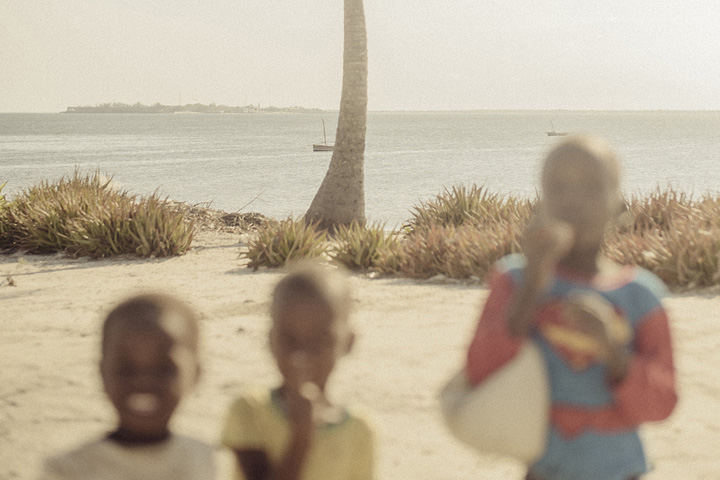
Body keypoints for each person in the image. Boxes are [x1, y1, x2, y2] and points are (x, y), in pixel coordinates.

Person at [465, 135, 677, 480]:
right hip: (545, 469)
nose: (572, 200)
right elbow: (481, 372)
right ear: (540, 203)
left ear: (619, 205)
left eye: (592, 186)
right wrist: (533, 286)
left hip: (622, 470)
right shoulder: (514, 280)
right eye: (557, 187)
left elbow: (662, 403)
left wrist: (612, 349)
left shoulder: (642, 297)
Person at [222, 262, 375, 480]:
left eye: (320, 339)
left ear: (348, 342)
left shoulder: (360, 430)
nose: (301, 354)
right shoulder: (249, 410)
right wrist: (301, 437)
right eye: (288, 339)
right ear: (270, 340)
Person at [41, 293, 217, 480]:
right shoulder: (68, 470)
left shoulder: (204, 459)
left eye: (163, 369)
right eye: (126, 369)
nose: (143, 381)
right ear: (102, 372)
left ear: (196, 375)